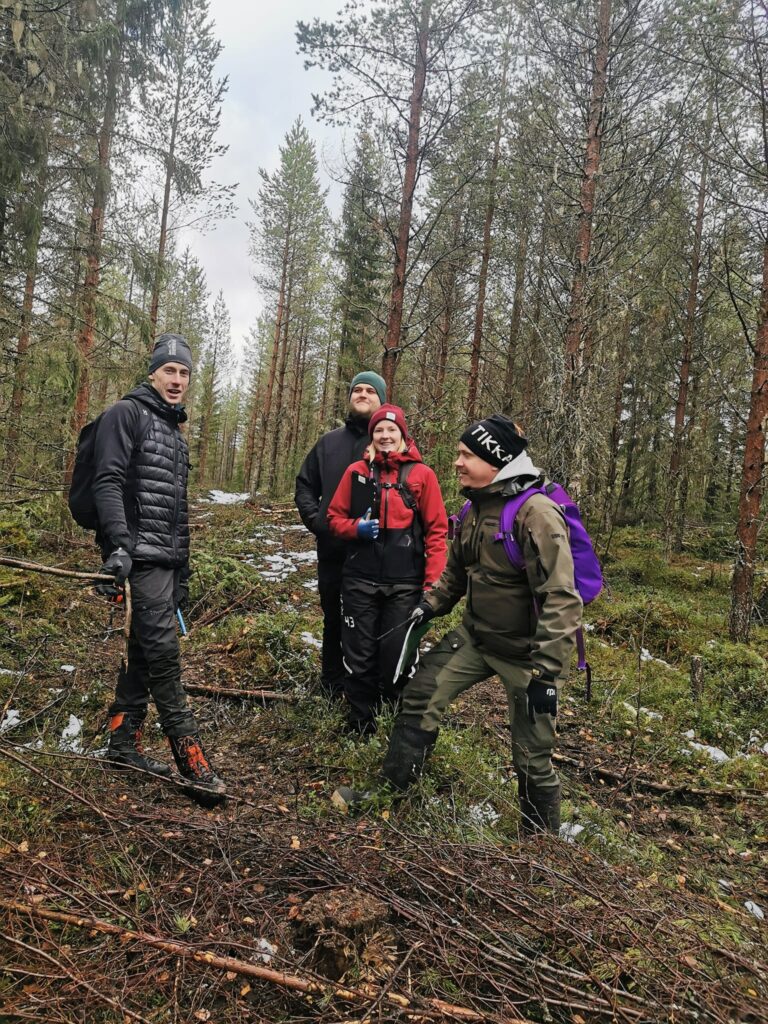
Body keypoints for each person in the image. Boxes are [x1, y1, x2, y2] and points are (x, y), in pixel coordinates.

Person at [335, 414, 582, 833]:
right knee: (419, 696)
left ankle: (540, 843)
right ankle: (391, 792)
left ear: (496, 460)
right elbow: (456, 572)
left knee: (532, 753)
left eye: (467, 455)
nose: (457, 462)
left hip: (527, 656)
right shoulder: (475, 506)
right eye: (459, 454)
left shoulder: (537, 514)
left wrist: (546, 674)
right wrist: (430, 605)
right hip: (476, 638)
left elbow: (561, 598)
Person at [94, 333, 226, 805]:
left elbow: (177, 512)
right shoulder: (125, 414)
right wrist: (118, 547)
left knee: (142, 651)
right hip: (139, 560)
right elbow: (107, 481)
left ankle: (122, 743)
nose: (176, 379)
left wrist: (182, 575)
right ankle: (191, 761)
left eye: (184, 372)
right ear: (152, 373)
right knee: (164, 656)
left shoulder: (174, 433)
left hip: (167, 564)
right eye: (169, 370)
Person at [326, 404, 448, 735]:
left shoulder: (422, 476)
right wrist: (355, 529)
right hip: (359, 581)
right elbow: (334, 518)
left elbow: (437, 533)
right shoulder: (356, 472)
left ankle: (395, 720)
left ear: (403, 436)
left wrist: (432, 585)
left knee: (396, 655)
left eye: (392, 430)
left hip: (405, 585)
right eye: (378, 430)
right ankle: (360, 723)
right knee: (359, 654)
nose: (385, 435)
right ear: (371, 437)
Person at [295, 372, 386, 699]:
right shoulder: (328, 443)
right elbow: (305, 485)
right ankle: (332, 686)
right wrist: (317, 520)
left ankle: (369, 689)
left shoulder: (389, 443)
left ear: (381, 400)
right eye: (357, 390)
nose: (362, 394)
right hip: (333, 551)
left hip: (376, 553)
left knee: (371, 622)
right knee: (333, 618)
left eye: (370, 391)